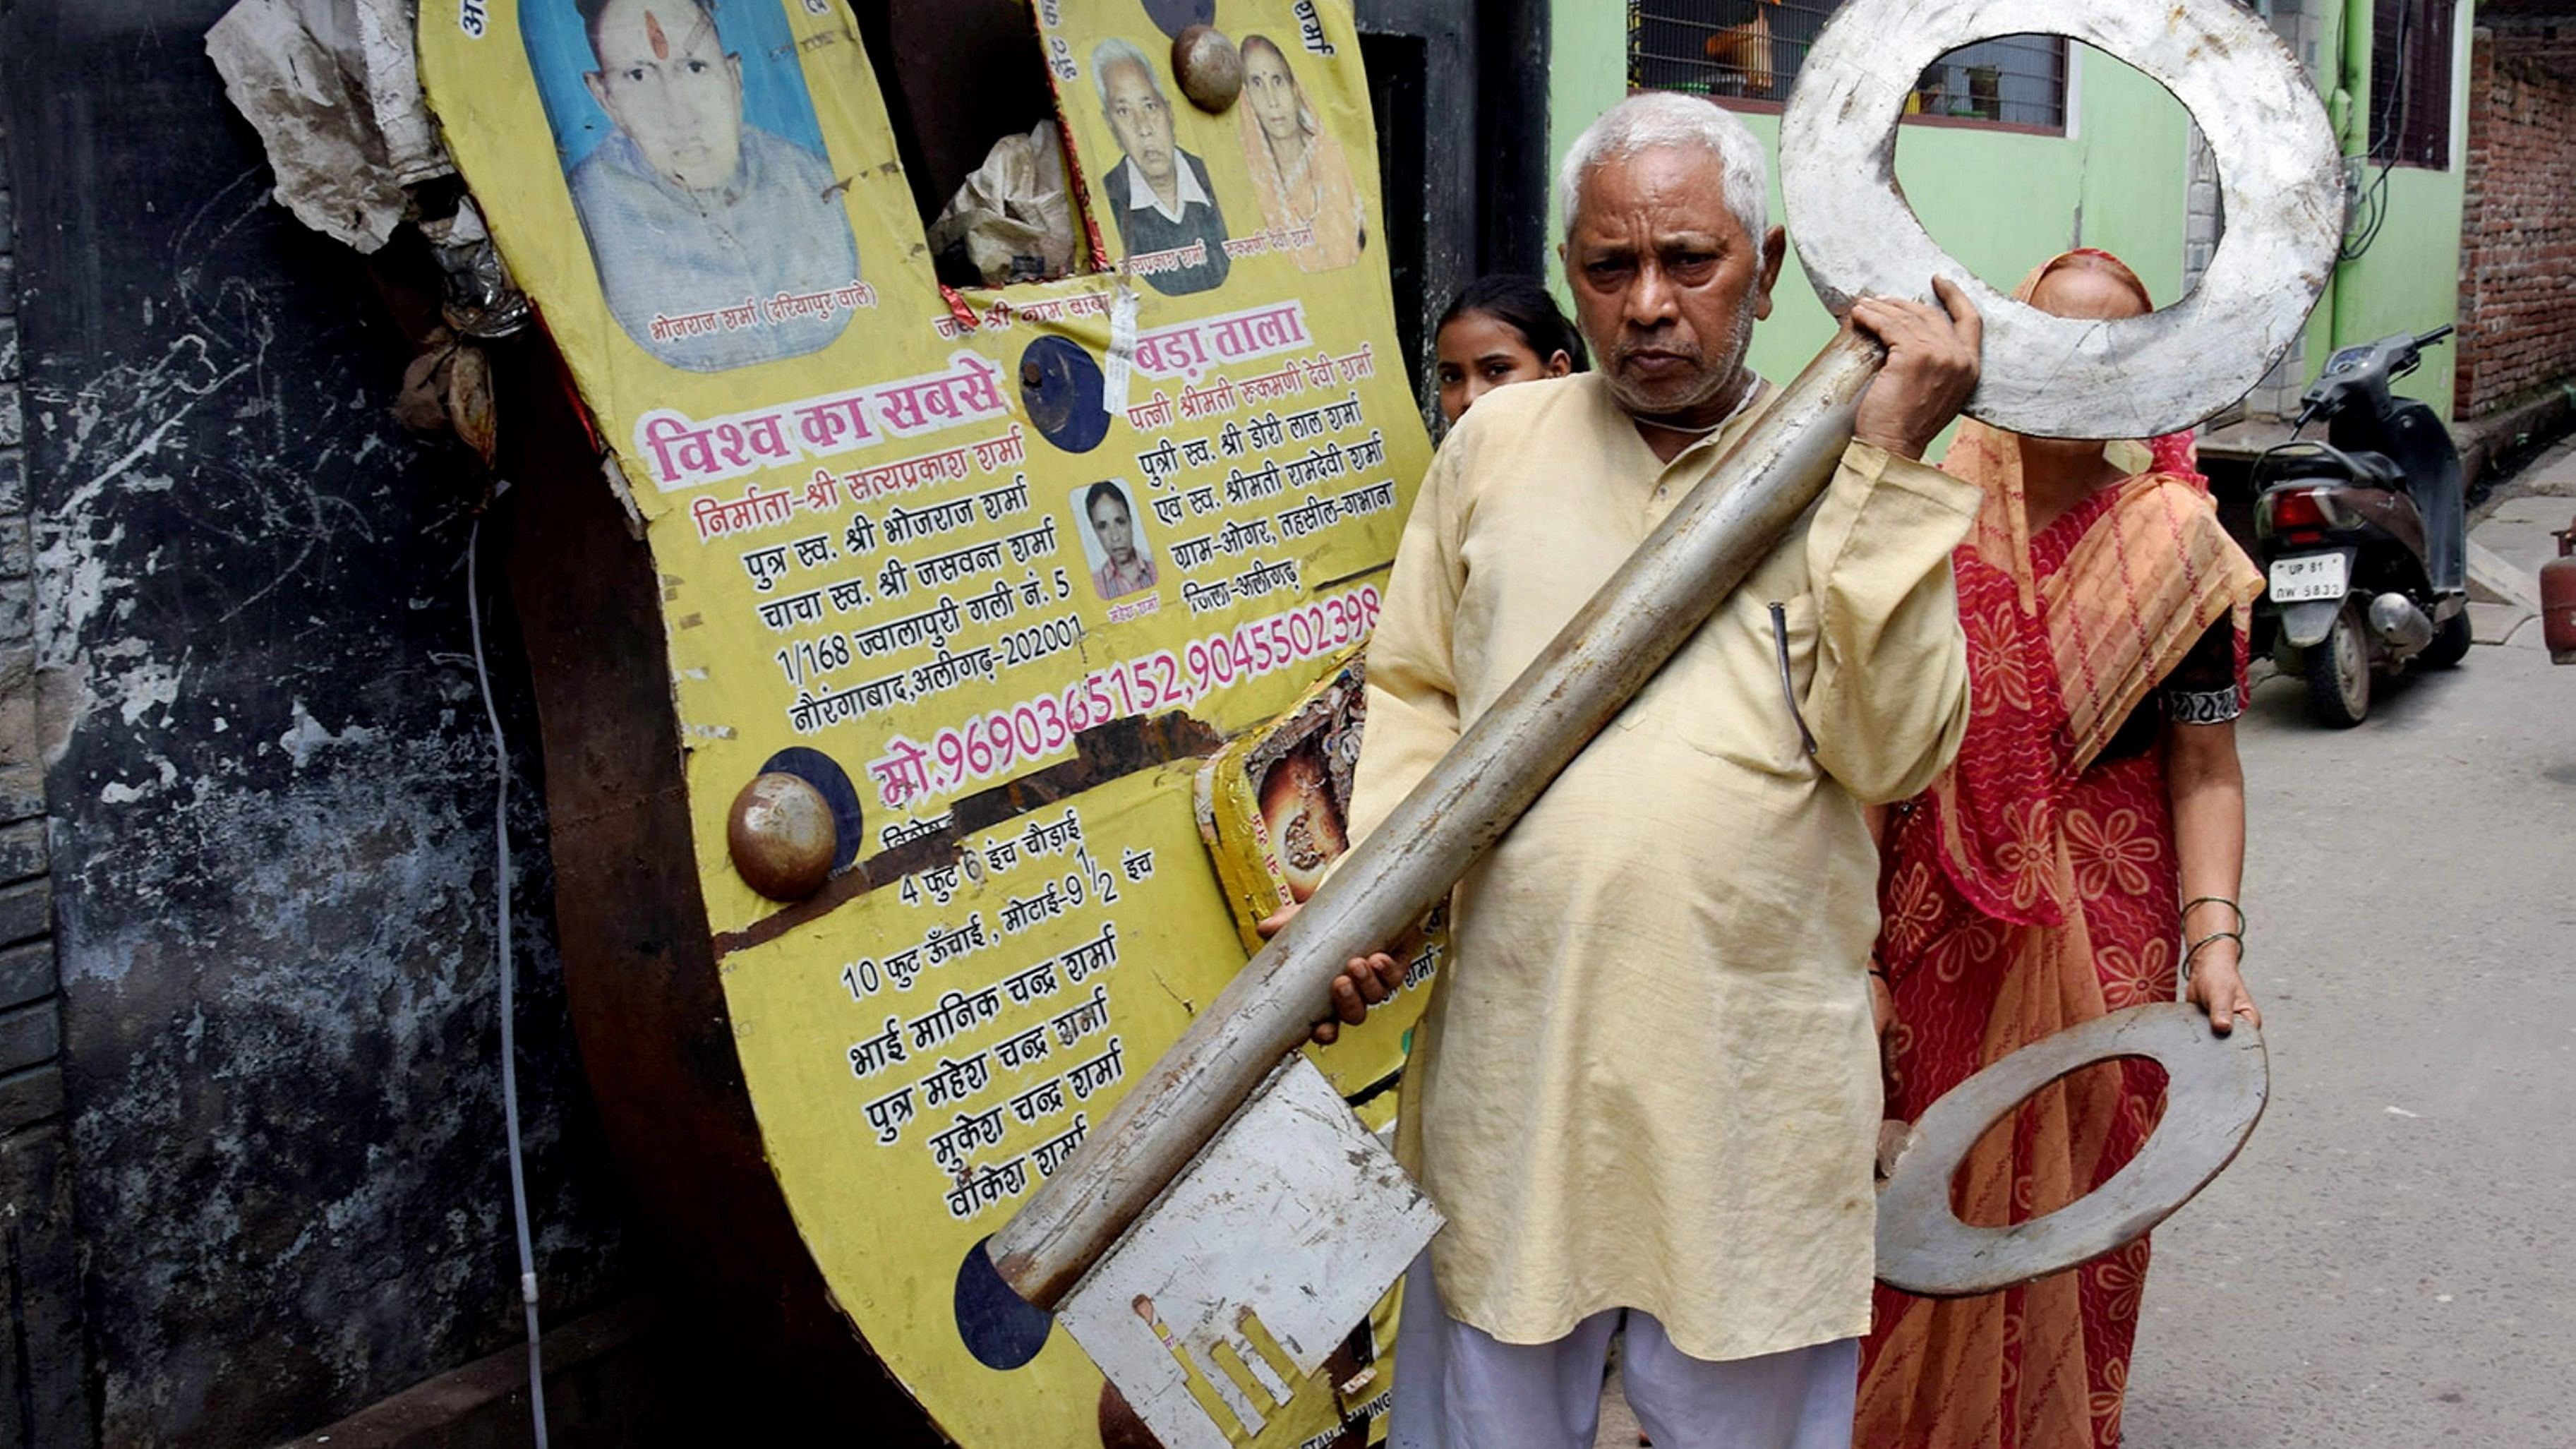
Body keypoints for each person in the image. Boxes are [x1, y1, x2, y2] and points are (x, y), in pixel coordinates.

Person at [1286, 92, 1987, 1449]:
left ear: (1768, 268)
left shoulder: (1853, 463)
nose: (1650, 304)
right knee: (1489, 1406)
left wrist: (1890, 466)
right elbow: (1416, 686)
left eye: (1692, 261)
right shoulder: (1499, 443)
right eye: (1611, 270)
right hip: (1518, 1055)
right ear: (1572, 280)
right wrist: (1380, 889)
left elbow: (1895, 749)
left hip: (1747, 1073)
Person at [1853, 250, 2265, 1449]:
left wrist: (2216, 945)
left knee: (2080, 1221)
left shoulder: (2177, 542)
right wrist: (1854, 946)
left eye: (2114, 351)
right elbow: (1875, 749)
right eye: (2053, 339)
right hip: (1931, 925)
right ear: (2009, 348)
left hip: (2110, 953)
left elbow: (2204, 765)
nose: (2080, 372)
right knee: (1907, 1206)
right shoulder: (1927, 512)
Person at [565, 0, 860, 371]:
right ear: (605, 98)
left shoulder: (809, 178)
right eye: (638, 76)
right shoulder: (584, 211)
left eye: (694, 67)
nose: (679, 112)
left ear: (734, 76)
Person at [1092, 37, 1231, 296]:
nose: (1144, 128)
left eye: (1150, 107)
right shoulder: (1102, 201)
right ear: (1111, 127)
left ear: (1169, 113)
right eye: (1124, 112)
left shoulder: (1221, 178)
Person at [1236, 35, 1366, 272]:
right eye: (1256, 83)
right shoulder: (1254, 182)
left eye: (1278, 81)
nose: (1272, 100)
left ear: (1295, 88)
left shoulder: (1333, 158)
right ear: (1246, 100)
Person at [1433, 275, 1589, 426]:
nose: (1470, 397)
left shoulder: (1597, 449)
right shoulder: (1453, 452)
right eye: (1451, 377)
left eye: (1497, 370)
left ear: (1557, 372)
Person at [1085, 481, 1158, 600]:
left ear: (1130, 521)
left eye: (1120, 522)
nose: (1115, 537)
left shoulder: (1157, 567)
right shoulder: (1095, 587)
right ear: (1095, 531)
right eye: (1103, 526)